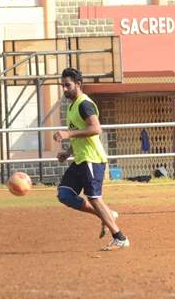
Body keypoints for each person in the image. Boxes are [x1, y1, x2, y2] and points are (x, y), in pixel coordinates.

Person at [53, 68, 129, 251]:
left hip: (92, 159)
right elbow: (81, 134)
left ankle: (120, 237)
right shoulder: (72, 106)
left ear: (78, 84)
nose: (64, 89)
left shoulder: (84, 104)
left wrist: (67, 134)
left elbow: (96, 129)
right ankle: (106, 214)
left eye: (67, 85)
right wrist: (68, 152)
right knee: (64, 194)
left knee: (94, 198)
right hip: (80, 159)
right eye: (62, 85)